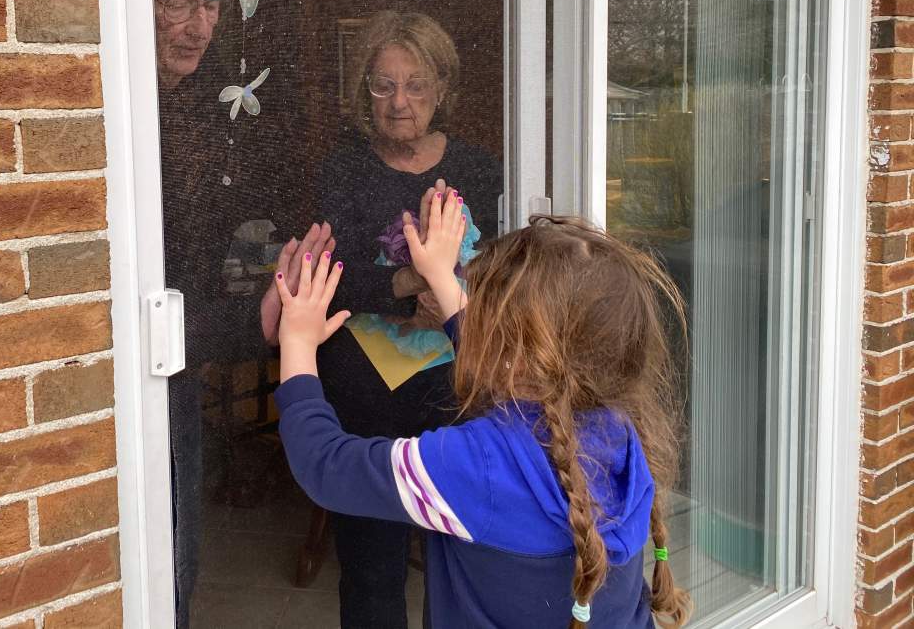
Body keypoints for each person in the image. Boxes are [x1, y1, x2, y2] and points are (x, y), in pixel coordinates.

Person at [271, 192, 693, 628]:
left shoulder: (471, 468)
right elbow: (507, 363)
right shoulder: (621, 432)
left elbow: (326, 466)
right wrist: (438, 275)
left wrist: (298, 342)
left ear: (511, 353)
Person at [266, 10, 500, 626]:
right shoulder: (341, 169)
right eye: (383, 85)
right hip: (365, 389)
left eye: (416, 85)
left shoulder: (482, 167)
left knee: (469, 552)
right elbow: (329, 274)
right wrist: (411, 282)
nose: (400, 102)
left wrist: (454, 287)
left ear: (441, 89)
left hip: (457, 382)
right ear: (364, 91)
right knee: (371, 565)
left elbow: (505, 266)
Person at [150, 0, 333, 627]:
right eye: (177, 2)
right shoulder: (104, 105)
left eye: (213, 3)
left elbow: (193, 270)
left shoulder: (203, 111)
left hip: (177, 376)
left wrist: (261, 304)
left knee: (178, 563)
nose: (199, 25)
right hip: (104, 391)